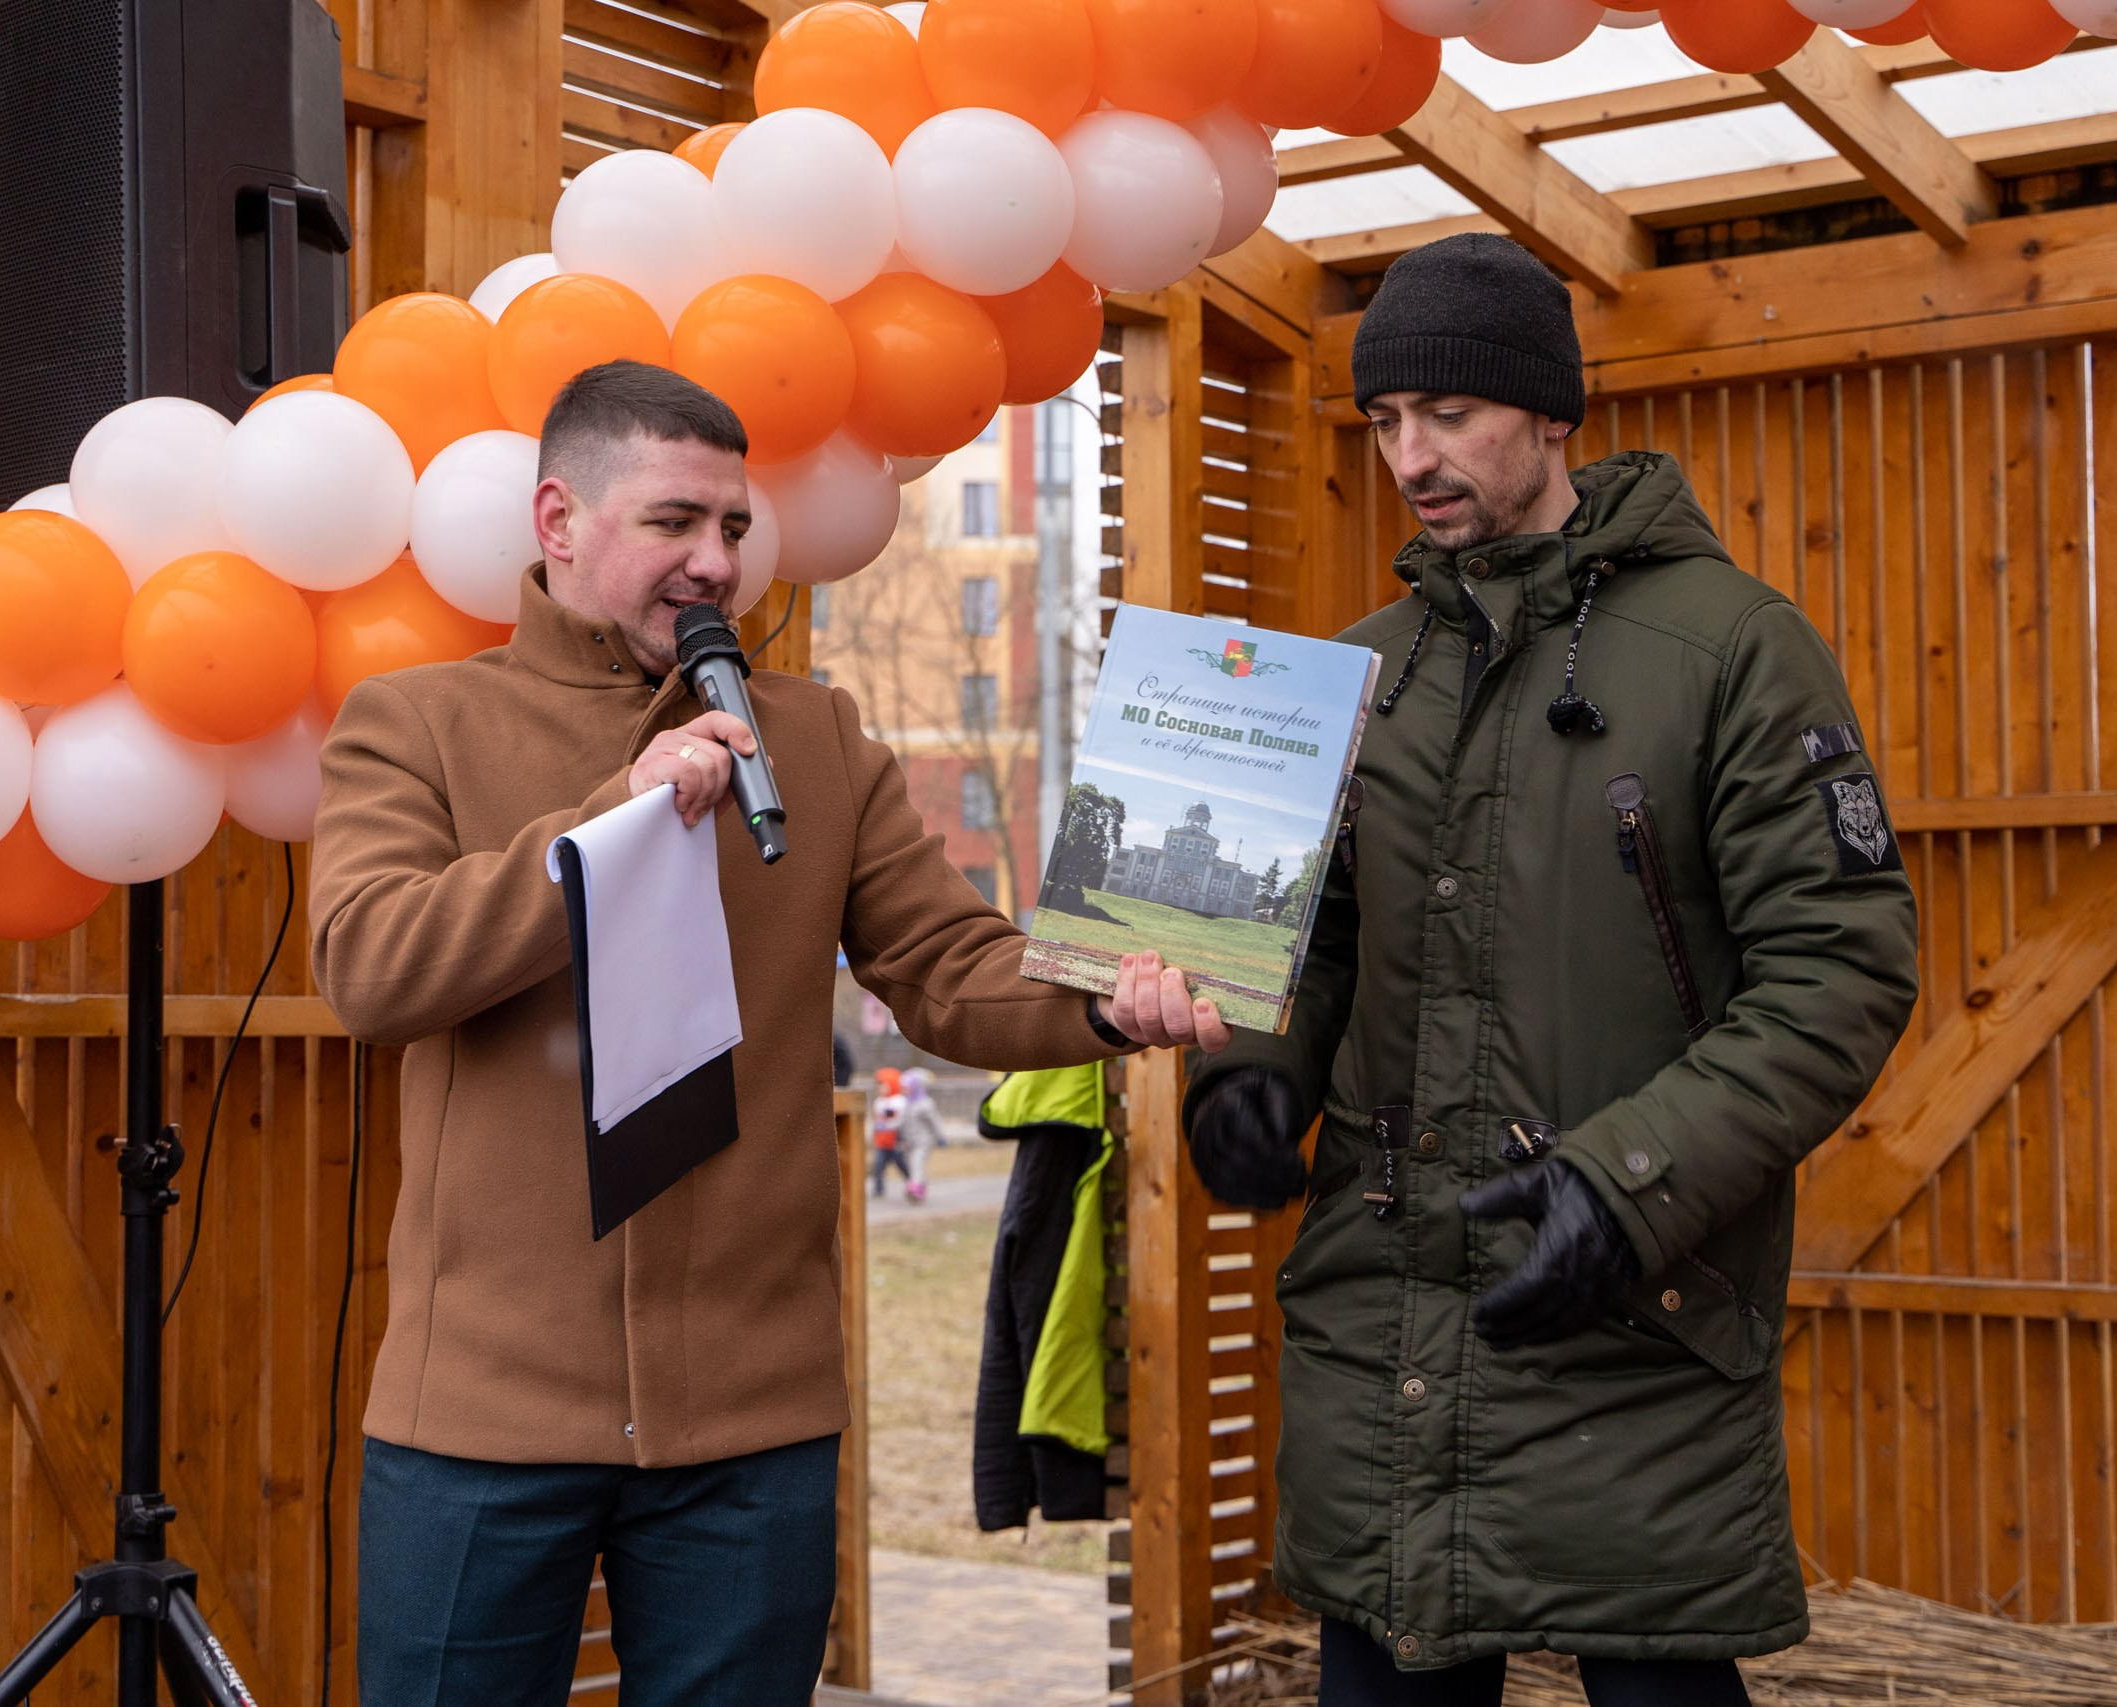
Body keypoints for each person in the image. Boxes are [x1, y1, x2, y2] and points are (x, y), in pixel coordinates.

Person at [308, 359, 1229, 1707]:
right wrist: (608, 830)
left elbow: (946, 963)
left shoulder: (817, 734)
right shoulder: (416, 723)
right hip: (481, 1421)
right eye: (673, 520)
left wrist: (1101, 998)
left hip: (754, 1423)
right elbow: (374, 965)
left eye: (733, 528)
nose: (715, 561)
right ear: (558, 521)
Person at [1181, 234, 1919, 1706]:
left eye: (1447, 414)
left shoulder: (1732, 649)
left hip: (1621, 1310)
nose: (1410, 456)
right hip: (1386, 1314)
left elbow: (1840, 967)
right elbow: (1309, 933)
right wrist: (1249, 1071)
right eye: (1385, 422)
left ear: (1550, 412)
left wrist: (1622, 1181)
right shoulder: (1359, 668)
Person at [896, 1067, 944, 1203]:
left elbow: (935, 1122)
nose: (904, 1090)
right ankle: (919, 1186)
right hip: (909, 1141)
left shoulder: (925, 1104)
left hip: (923, 1141)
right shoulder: (906, 1103)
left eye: (906, 1087)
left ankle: (915, 1189)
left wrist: (940, 1136)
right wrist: (899, 1136)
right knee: (911, 1166)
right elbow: (903, 1122)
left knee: (917, 1163)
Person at [869, 1067, 907, 1198]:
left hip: (895, 1139)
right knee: (878, 1165)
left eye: (882, 1085)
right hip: (881, 1140)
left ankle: (912, 1181)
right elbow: (876, 1120)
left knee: (901, 1164)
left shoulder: (900, 1101)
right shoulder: (878, 1102)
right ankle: (878, 1189)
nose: (879, 1089)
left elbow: (897, 1118)